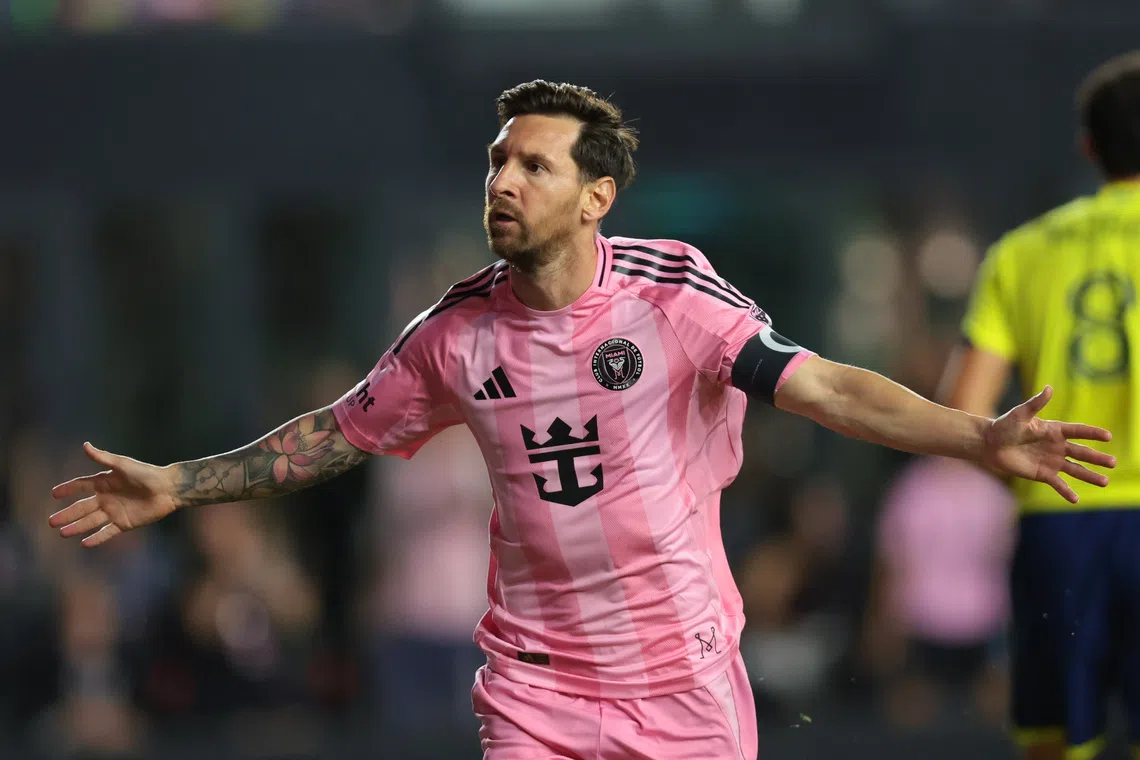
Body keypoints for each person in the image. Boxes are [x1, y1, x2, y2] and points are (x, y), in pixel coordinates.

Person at [50, 80, 1115, 760]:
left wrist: (975, 436)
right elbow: (336, 431)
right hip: (536, 690)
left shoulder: (673, 296)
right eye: (496, 161)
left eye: (534, 165)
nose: (503, 180)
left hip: (685, 678)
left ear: (596, 196)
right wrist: (180, 483)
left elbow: (828, 387)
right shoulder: (452, 334)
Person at [942, 51, 1140, 760]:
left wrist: (1024, 474)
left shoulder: (1020, 254)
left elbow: (965, 411)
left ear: (1089, 147)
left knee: (1056, 740)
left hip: (1062, 525)